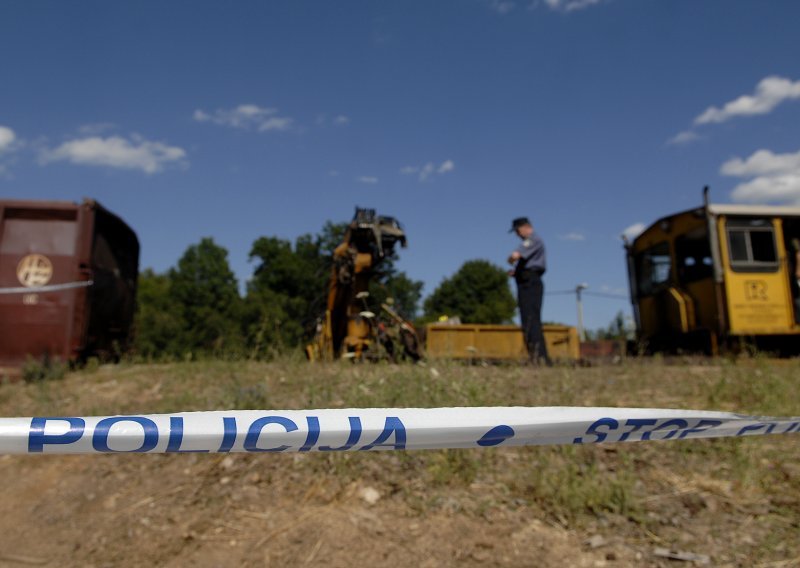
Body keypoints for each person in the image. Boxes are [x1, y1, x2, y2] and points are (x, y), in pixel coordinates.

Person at [508, 217, 551, 365]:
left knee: (531, 320)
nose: (517, 235)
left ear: (525, 227)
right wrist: (516, 272)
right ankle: (535, 357)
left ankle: (540, 358)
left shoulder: (533, 240)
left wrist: (511, 259)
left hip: (530, 283)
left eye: (517, 231)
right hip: (525, 281)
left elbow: (515, 255)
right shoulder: (532, 242)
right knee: (527, 320)